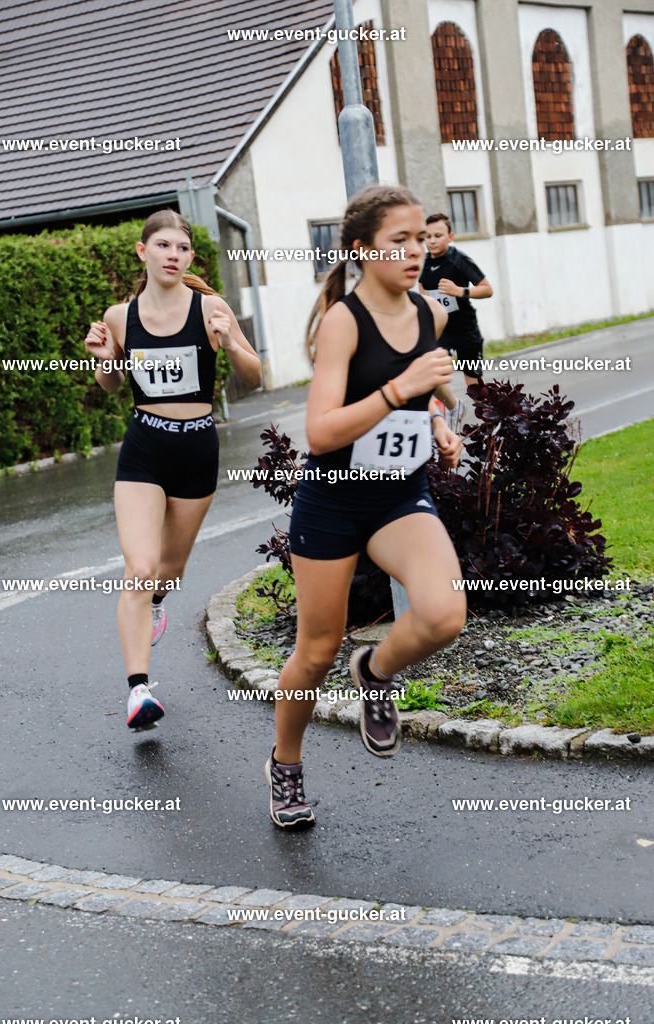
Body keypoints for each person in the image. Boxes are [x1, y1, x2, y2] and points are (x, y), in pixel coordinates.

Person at [265, 185, 467, 829]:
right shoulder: (343, 322)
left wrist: (435, 421)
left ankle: (375, 672)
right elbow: (321, 431)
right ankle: (286, 764)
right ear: (361, 249)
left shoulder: (430, 312)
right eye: (398, 241)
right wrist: (397, 389)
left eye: (420, 238)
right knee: (314, 652)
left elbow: (424, 397)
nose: (416, 251)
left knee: (443, 615)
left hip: (400, 495)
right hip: (334, 502)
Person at [84, 209, 261, 730]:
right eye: (162, 246)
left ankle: (158, 599)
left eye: (182, 249)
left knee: (168, 570)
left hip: (196, 452)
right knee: (138, 568)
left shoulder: (210, 307)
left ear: (189, 257)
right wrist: (103, 359)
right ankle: (139, 691)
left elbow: (253, 375)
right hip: (144, 451)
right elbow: (114, 385)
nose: (173, 256)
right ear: (144, 252)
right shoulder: (121, 316)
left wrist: (228, 341)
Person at [418, 213, 493, 432]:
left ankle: (491, 427)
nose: (432, 240)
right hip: (440, 330)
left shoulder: (459, 259)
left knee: (475, 386)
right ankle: (453, 407)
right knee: (430, 374)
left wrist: (459, 291)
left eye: (438, 235)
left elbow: (487, 289)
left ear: (450, 237)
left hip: (465, 330)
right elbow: (424, 292)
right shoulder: (421, 262)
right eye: (428, 236)